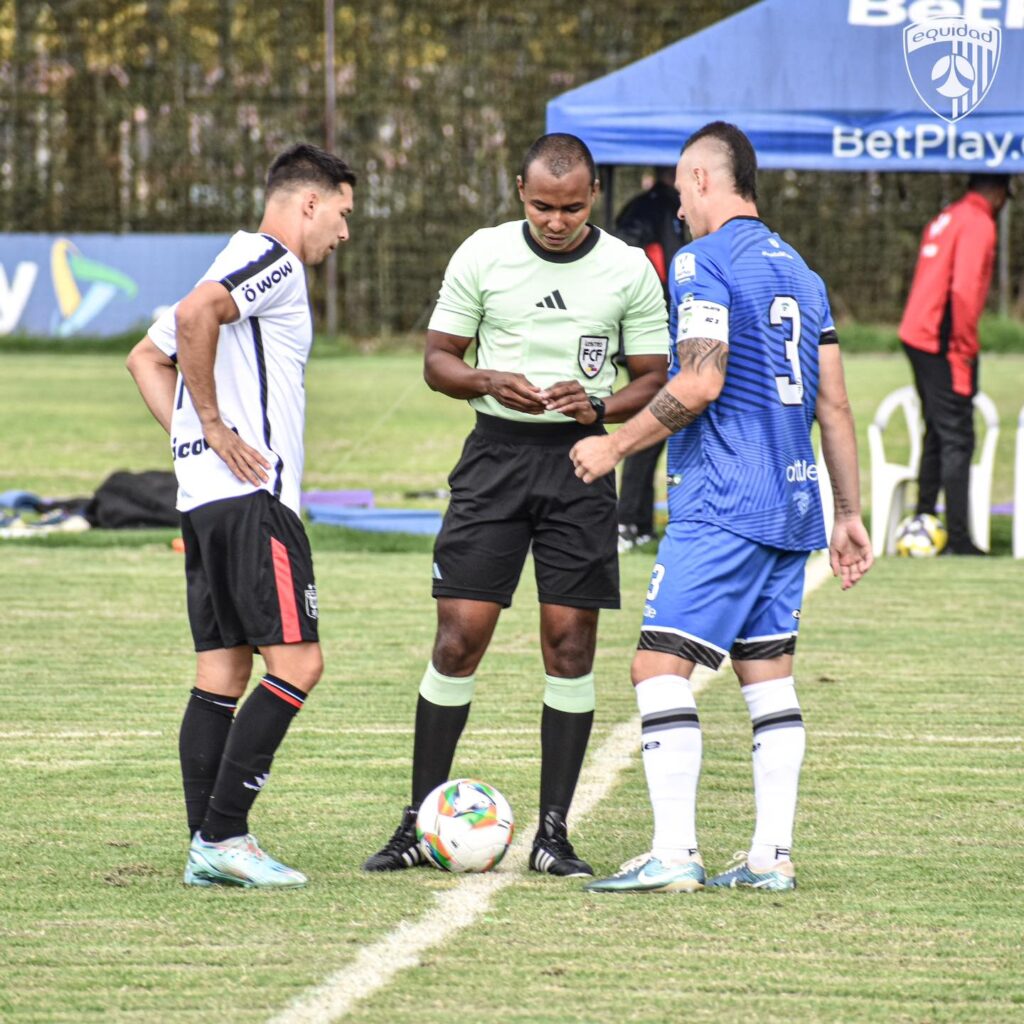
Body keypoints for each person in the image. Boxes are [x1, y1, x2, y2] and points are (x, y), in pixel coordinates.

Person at [570, 121, 872, 894]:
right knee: (766, 676)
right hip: (795, 504)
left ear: (703, 180)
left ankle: (674, 853)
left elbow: (701, 381)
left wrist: (614, 445)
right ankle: (771, 858)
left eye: (679, 185)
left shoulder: (702, 262)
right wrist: (847, 513)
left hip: (725, 502)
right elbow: (834, 405)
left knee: (656, 664)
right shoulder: (803, 274)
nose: (676, 203)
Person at [363, 133, 669, 877]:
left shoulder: (629, 267)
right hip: (494, 460)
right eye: (541, 206)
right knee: (457, 640)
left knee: (569, 648)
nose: (555, 220)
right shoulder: (483, 253)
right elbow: (438, 360)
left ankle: (553, 835)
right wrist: (485, 380)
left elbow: (656, 374)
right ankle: (415, 824)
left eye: (570, 207)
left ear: (593, 195)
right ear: (518, 192)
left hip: (581, 466)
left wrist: (597, 401)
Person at [125, 143, 356, 887]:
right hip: (256, 503)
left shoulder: (231, 256)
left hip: (207, 501)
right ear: (309, 203)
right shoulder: (272, 259)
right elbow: (198, 316)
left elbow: (144, 359)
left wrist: (193, 445)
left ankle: (206, 846)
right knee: (299, 665)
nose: (345, 232)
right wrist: (215, 428)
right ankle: (224, 834)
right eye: (343, 214)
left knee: (221, 673)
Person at [900, 173, 1012, 556]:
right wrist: (963, 348)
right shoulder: (978, 222)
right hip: (942, 339)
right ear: (998, 196)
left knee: (937, 429)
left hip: (918, 332)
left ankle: (924, 517)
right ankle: (960, 540)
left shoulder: (948, 214)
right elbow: (963, 290)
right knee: (958, 437)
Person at [613, 167, 685, 553]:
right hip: (660, 332)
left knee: (656, 422)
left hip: (649, 331)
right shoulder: (674, 209)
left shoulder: (643, 208)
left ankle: (635, 521)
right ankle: (628, 521)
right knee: (654, 420)